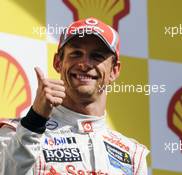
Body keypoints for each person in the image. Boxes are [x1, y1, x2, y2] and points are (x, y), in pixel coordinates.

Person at [0, 17, 149, 175]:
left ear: (114, 71)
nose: (85, 64)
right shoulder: (16, 131)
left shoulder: (133, 155)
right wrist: (35, 119)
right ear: (58, 62)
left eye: (97, 56)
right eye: (76, 54)